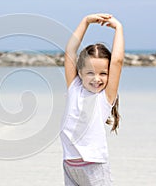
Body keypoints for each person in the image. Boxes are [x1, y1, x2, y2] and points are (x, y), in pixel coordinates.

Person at [60, 13, 124, 186]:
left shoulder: (104, 97)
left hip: (95, 166)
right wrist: (85, 21)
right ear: (80, 72)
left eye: (103, 73)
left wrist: (118, 28)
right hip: (70, 164)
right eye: (90, 73)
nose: (97, 79)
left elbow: (117, 61)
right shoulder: (74, 88)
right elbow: (70, 51)